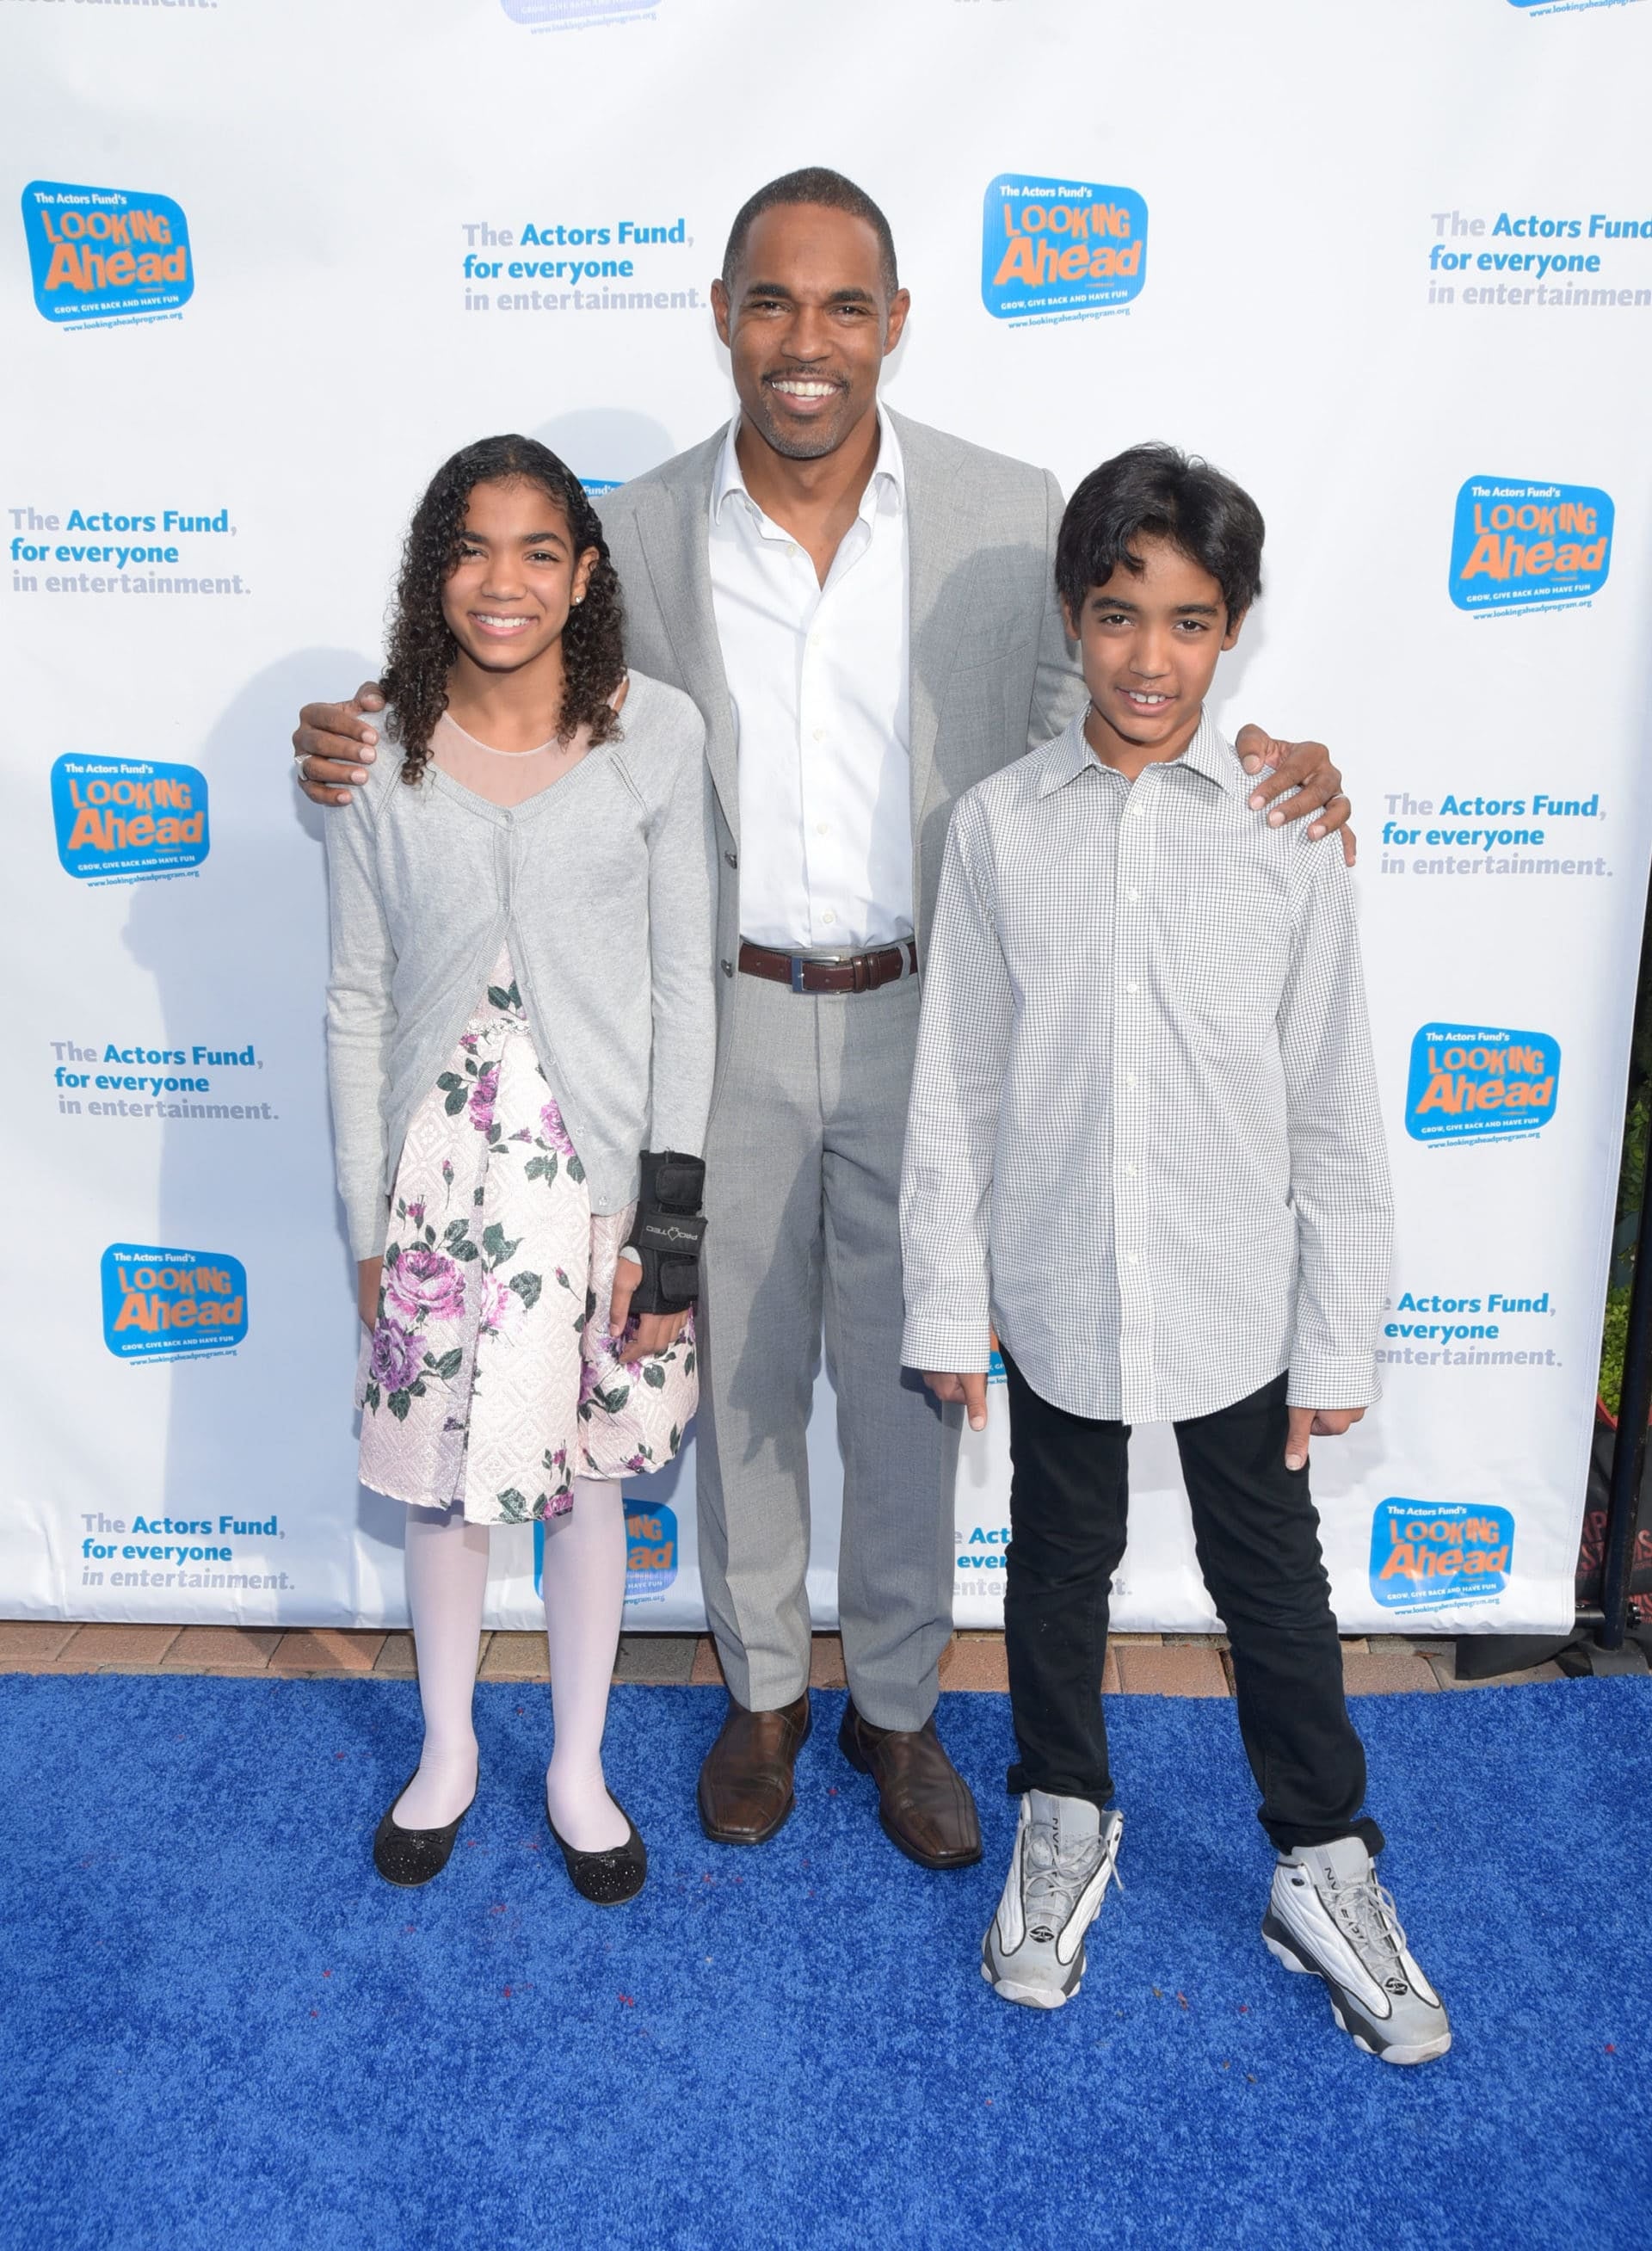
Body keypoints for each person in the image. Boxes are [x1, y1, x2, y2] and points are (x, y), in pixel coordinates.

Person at [294, 170, 1356, 1876]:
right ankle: (767, 1693)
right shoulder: (636, 525)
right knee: (741, 1380)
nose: (809, 339)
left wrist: (1266, 758)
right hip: (715, 1017)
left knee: (915, 1382)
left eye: (846, 305)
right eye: (774, 302)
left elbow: (1102, 732)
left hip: (936, 1016)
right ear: (722, 316)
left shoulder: (1010, 517)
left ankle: (903, 1708)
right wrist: (364, 721)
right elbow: (507, 679)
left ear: (895, 323)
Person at [902, 444, 1449, 2063]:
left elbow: (1335, 1100)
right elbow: (956, 1086)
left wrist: (1338, 1332)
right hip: (1060, 1272)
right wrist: (948, 1298)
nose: (1152, 658)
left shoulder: (1286, 831)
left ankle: (1323, 1860)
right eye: (1120, 615)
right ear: (1073, 619)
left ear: (1235, 631)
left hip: (1235, 1289)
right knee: (1055, 1564)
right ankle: (1063, 1812)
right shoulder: (998, 830)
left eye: (1192, 622)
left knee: (1271, 1579)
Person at [325, 434, 714, 1905]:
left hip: (598, 1188)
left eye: (539, 550)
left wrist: (668, 1217)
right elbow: (356, 999)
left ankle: (577, 1766)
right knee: (441, 1488)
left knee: (590, 1480)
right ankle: (446, 1751)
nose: (505, 581)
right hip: (436, 1187)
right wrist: (366, 1219)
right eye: (471, 549)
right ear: (435, 571)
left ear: (585, 572)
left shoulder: (655, 733)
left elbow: (685, 988)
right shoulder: (377, 749)